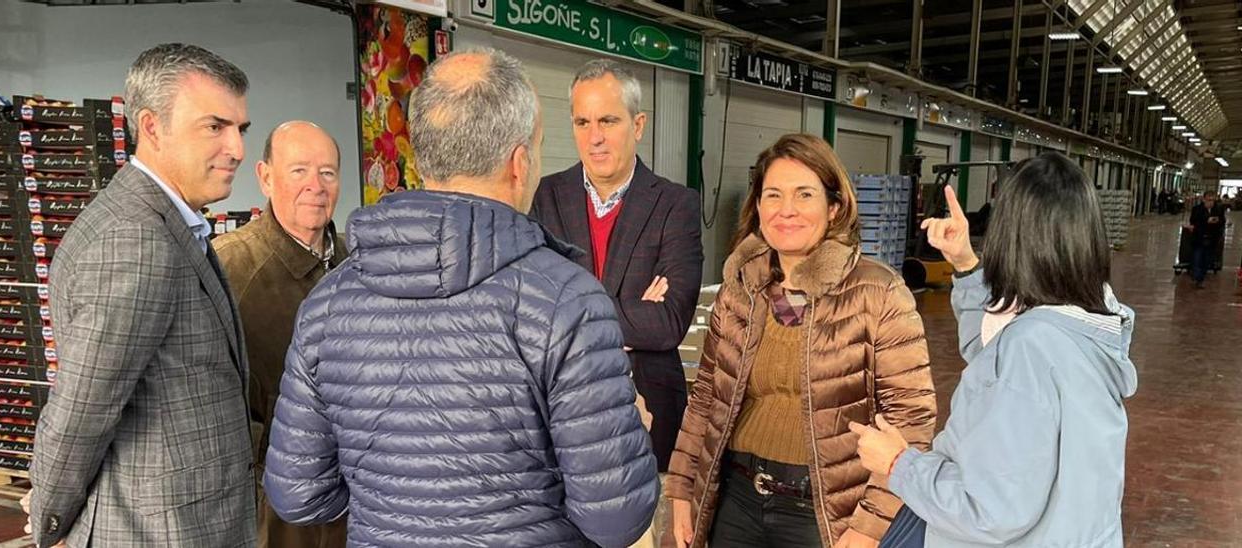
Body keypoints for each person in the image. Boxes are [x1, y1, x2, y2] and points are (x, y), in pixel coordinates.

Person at [263, 48, 660, 547]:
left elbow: (298, 494)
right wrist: (632, 435)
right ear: (520, 163)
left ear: (423, 155)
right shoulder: (567, 301)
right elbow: (616, 520)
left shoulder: (327, 303)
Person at [27, 43, 254, 547]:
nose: (237, 148)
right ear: (151, 127)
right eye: (215, 126)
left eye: (241, 129)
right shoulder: (136, 239)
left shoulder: (163, 222)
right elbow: (83, 406)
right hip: (157, 531)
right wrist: (51, 522)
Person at [851, 152, 1137, 548]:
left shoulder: (1031, 347)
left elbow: (992, 511)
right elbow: (995, 348)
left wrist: (899, 465)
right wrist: (966, 264)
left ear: (1012, 236)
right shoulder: (1091, 320)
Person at [667, 133, 936, 548]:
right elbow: (706, 397)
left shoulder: (878, 292)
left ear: (834, 207)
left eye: (804, 194)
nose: (786, 210)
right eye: (773, 195)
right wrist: (683, 490)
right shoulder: (740, 288)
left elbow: (911, 423)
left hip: (825, 512)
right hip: (736, 500)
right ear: (757, 207)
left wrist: (869, 527)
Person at [531, 58, 703, 474]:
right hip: (558, 405)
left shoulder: (675, 205)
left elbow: (667, 322)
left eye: (608, 121)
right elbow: (529, 311)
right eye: (582, 123)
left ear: (638, 125)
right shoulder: (542, 197)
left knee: (640, 532)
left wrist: (572, 316)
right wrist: (627, 317)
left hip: (647, 408)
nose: (595, 138)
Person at [213, 121, 349, 548]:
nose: (316, 185)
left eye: (327, 173)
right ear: (265, 176)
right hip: (273, 497)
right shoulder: (229, 269)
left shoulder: (357, 261)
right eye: (299, 171)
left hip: (355, 487)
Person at [1188, 190, 1227, 288]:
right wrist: (1206, 220)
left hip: (1211, 239)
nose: (1211, 203)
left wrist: (1218, 221)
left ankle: (1201, 277)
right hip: (1199, 238)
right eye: (1209, 200)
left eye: (1213, 200)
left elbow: (1222, 221)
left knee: (1207, 260)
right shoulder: (1197, 209)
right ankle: (1197, 278)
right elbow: (1193, 220)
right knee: (1197, 259)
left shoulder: (1218, 210)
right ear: (1204, 199)